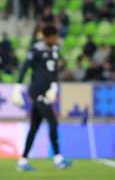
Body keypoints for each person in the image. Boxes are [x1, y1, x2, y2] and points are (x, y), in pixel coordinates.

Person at [11, 24, 71, 171]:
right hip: (37, 92)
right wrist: (17, 88)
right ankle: (58, 158)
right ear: (47, 37)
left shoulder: (56, 50)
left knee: (34, 127)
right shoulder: (36, 49)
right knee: (53, 121)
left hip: (47, 92)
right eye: (54, 37)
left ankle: (22, 161)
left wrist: (54, 87)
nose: (56, 39)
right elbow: (25, 68)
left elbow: (54, 70)